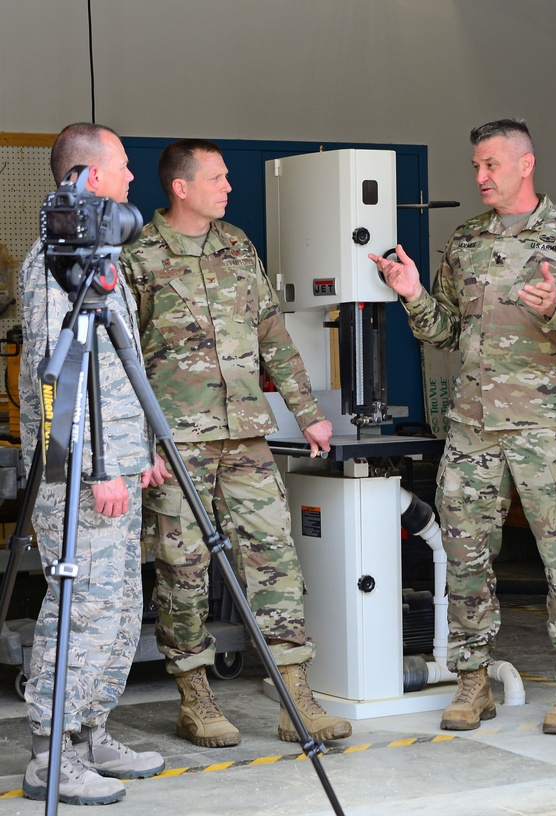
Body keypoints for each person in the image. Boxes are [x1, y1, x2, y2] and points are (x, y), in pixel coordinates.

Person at [369, 118, 556, 735]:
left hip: (546, 430)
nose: (480, 177)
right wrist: (410, 292)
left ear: (525, 164)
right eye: (476, 167)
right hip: (474, 426)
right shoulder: (464, 244)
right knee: (463, 555)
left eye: (490, 165)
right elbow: (446, 333)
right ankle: (471, 681)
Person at [118, 139, 351, 748]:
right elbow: (123, 362)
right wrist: (140, 446)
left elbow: (273, 335)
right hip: (178, 444)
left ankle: (296, 698)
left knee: (275, 561)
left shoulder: (238, 245)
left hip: (247, 435)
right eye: (217, 178)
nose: (228, 187)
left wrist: (307, 414)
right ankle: (196, 698)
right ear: (181, 186)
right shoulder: (139, 257)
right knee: (183, 571)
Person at [18, 123, 170, 805]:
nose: (133, 180)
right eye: (125, 168)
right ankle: (50, 753)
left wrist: (138, 455)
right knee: (80, 609)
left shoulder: (96, 256)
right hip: (74, 470)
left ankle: (89, 734)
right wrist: (99, 467)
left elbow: (116, 366)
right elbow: (64, 380)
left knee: (117, 606)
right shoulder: (52, 265)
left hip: (113, 464)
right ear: (89, 177)